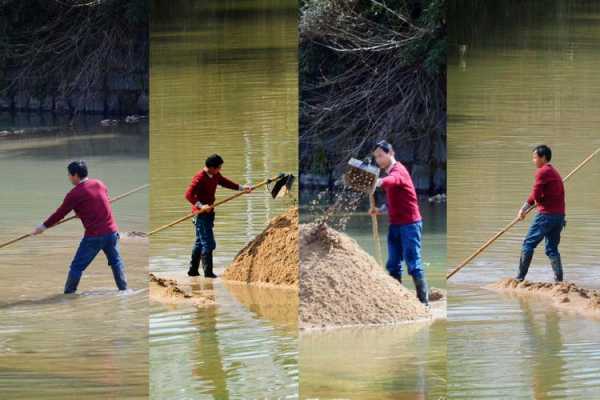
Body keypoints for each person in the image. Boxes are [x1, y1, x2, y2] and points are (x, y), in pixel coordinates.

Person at [31, 161, 127, 294]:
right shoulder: (99, 184)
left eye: (69, 175)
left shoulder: (74, 194)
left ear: (75, 175)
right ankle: (124, 290)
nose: (69, 177)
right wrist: (81, 212)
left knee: (76, 267)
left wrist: (42, 227)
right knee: (116, 262)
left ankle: (69, 295)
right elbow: (102, 201)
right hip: (111, 233)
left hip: (94, 236)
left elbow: (60, 214)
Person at [369, 140, 429, 305]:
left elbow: (393, 180)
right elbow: (393, 200)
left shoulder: (398, 170)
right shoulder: (389, 172)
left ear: (391, 154)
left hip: (410, 224)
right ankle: (398, 301)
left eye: (381, 156)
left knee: (413, 263)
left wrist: (378, 182)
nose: (378, 160)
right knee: (393, 263)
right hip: (395, 224)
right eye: (376, 157)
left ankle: (424, 302)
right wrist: (380, 210)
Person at [185, 154, 252, 278]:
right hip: (200, 214)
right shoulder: (200, 178)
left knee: (200, 242)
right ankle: (208, 274)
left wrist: (242, 188)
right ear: (210, 167)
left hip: (209, 213)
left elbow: (225, 182)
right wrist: (201, 206)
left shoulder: (215, 175)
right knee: (208, 243)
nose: (220, 170)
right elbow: (188, 194)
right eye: (218, 168)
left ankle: (193, 271)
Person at [515, 145, 565, 282]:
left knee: (528, 244)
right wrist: (524, 208)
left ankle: (519, 279)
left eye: (535, 157)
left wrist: (537, 201)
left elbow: (536, 195)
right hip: (559, 216)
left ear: (543, 158)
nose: (534, 160)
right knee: (552, 249)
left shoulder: (542, 172)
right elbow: (536, 195)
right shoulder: (553, 171)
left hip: (546, 216)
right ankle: (559, 280)